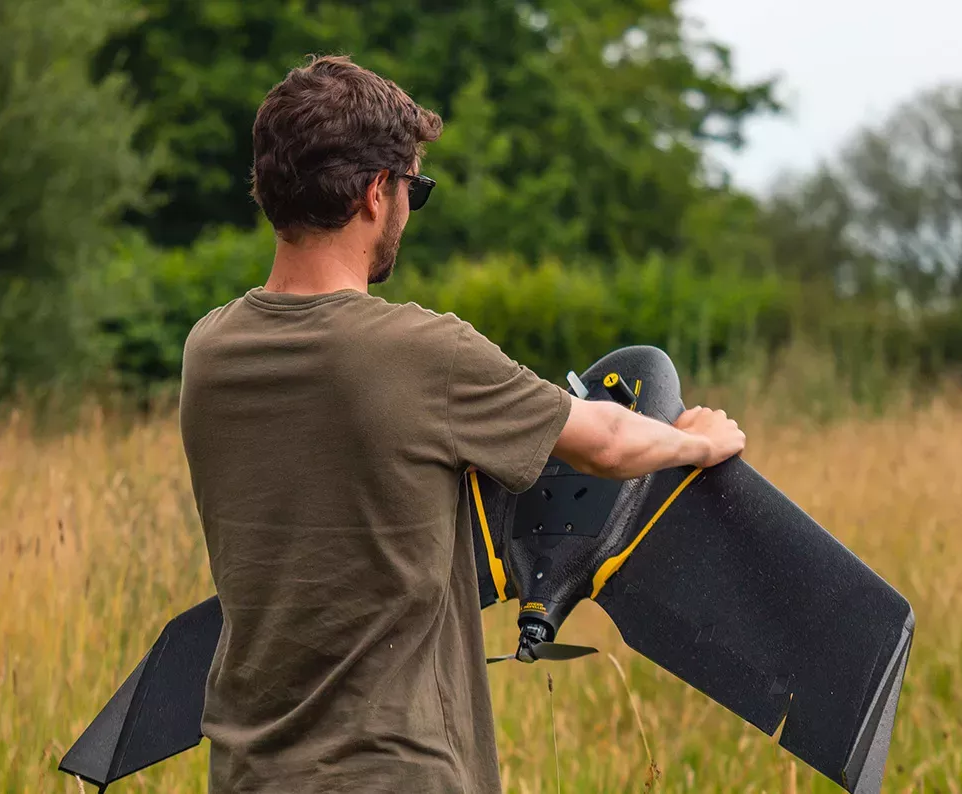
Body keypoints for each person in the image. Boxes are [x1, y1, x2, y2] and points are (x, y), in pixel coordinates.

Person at [178, 54, 745, 794]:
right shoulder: (420, 353)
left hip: (249, 770)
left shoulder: (210, 349)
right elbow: (605, 441)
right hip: (395, 771)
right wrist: (699, 439)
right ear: (377, 192)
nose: (411, 207)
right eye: (416, 186)